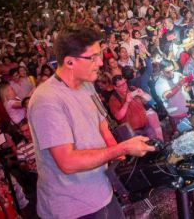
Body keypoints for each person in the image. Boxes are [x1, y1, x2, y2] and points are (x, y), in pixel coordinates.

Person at [28, 25, 155, 219]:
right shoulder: (46, 100)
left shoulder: (87, 85)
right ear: (69, 62)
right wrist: (122, 149)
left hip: (101, 193)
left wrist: (122, 160)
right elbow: (67, 162)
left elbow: (102, 126)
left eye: (100, 55)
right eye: (92, 57)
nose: (99, 63)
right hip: (72, 208)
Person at [154, 59, 191, 133]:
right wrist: (179, 84)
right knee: (185, 137)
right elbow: (167, 95)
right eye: (168, 72)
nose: (171, 73)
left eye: (172, 70)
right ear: (161, 72)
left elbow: (186, 88)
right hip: (177, 115)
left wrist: (187, 86)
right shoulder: (159, 84)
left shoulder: (177, 74)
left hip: (189, 109)